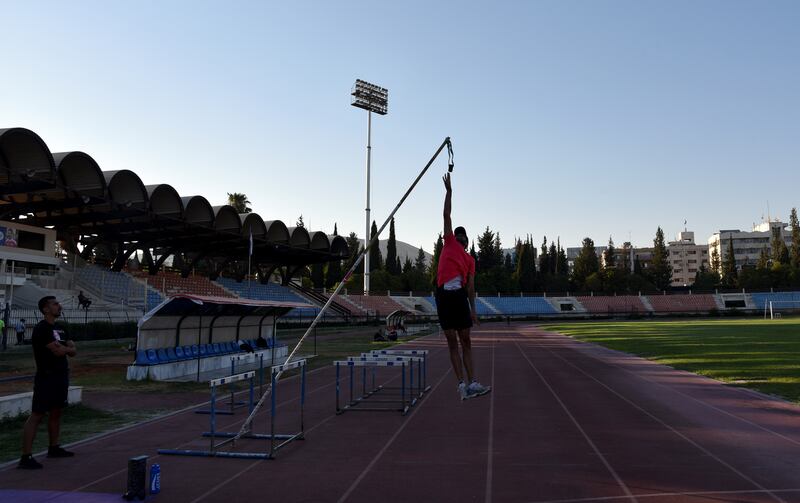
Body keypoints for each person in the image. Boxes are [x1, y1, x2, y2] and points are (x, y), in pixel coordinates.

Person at [436, 173, 490, 400]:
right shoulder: (448, 241)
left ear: (466, 242)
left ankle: (473, 382)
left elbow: (470, 287)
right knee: (451, 342)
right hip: (443, 295)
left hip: (458, 297)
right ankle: (461, 384)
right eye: (457, 236)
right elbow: (446, 214)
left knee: (465, 340)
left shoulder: (469, 260)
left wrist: (474, 310)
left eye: (463, 239)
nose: (460, 240)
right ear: (453, 237)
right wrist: (449, 192)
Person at [19, 296, 77, 469]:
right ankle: (26, 456)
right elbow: (59, 351)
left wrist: (66, 349)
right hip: (46, 376)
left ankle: (53, 447)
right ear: (45, 309)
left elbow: (73, 350)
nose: (59, 306)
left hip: (61, 376)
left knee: (56, 412)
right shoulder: (41, 329)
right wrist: (67, 349)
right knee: (37, 414)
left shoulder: (61, 327)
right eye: (55, 304)